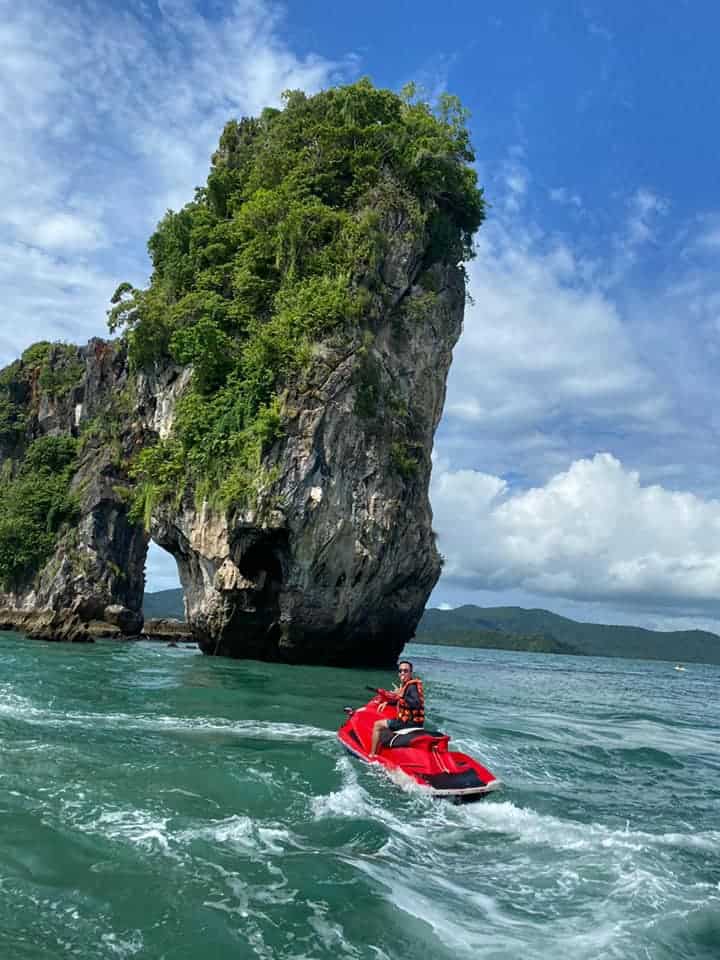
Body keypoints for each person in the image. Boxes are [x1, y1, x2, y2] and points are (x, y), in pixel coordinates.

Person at [369, 660, 424, 757]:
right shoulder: (408, 685)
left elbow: (416, 704)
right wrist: (388, 702)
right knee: (389, 724)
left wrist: (399, 694)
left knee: (377, 725)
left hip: (407, 723)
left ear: (411, 673)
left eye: (405, 671)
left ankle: (372, 755)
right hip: (415, 722)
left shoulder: (412, 687)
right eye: (400, 671)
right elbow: (404, 701)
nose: (402, 673)